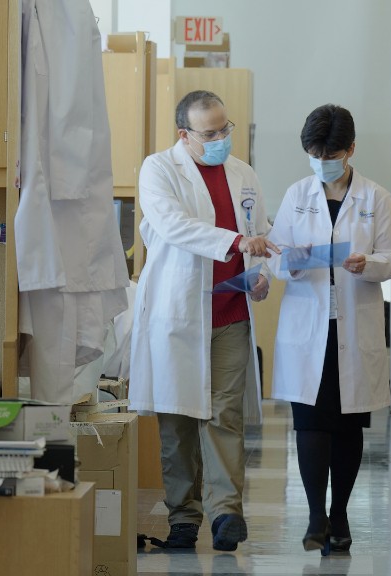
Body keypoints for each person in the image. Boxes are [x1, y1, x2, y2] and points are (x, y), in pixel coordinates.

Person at [129, 90, 279, 552]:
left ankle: (226, 514)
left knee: (224, 417)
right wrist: (236, 242)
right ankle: (183, 518)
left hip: (231, 312)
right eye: (210, 133)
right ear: (185, 135)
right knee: (176, 422)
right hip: (179, 314)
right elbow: (174, 226)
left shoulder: (243, 173)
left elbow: (261, 233)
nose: (220, 139)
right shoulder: (158, 169)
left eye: (224, 129)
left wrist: (260, 276)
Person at [269, 104, 391, 554]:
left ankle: (340, 514)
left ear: (350, 150)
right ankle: (314, 515)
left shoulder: (375, 197)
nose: (322, 161)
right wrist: (291, 259)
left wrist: (369, 263)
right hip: (309, 327)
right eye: (315, 153)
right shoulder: (296, 194)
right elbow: (276, 256)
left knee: (347, 425)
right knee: (310, 421)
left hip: (354, 322)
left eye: (331, 154)